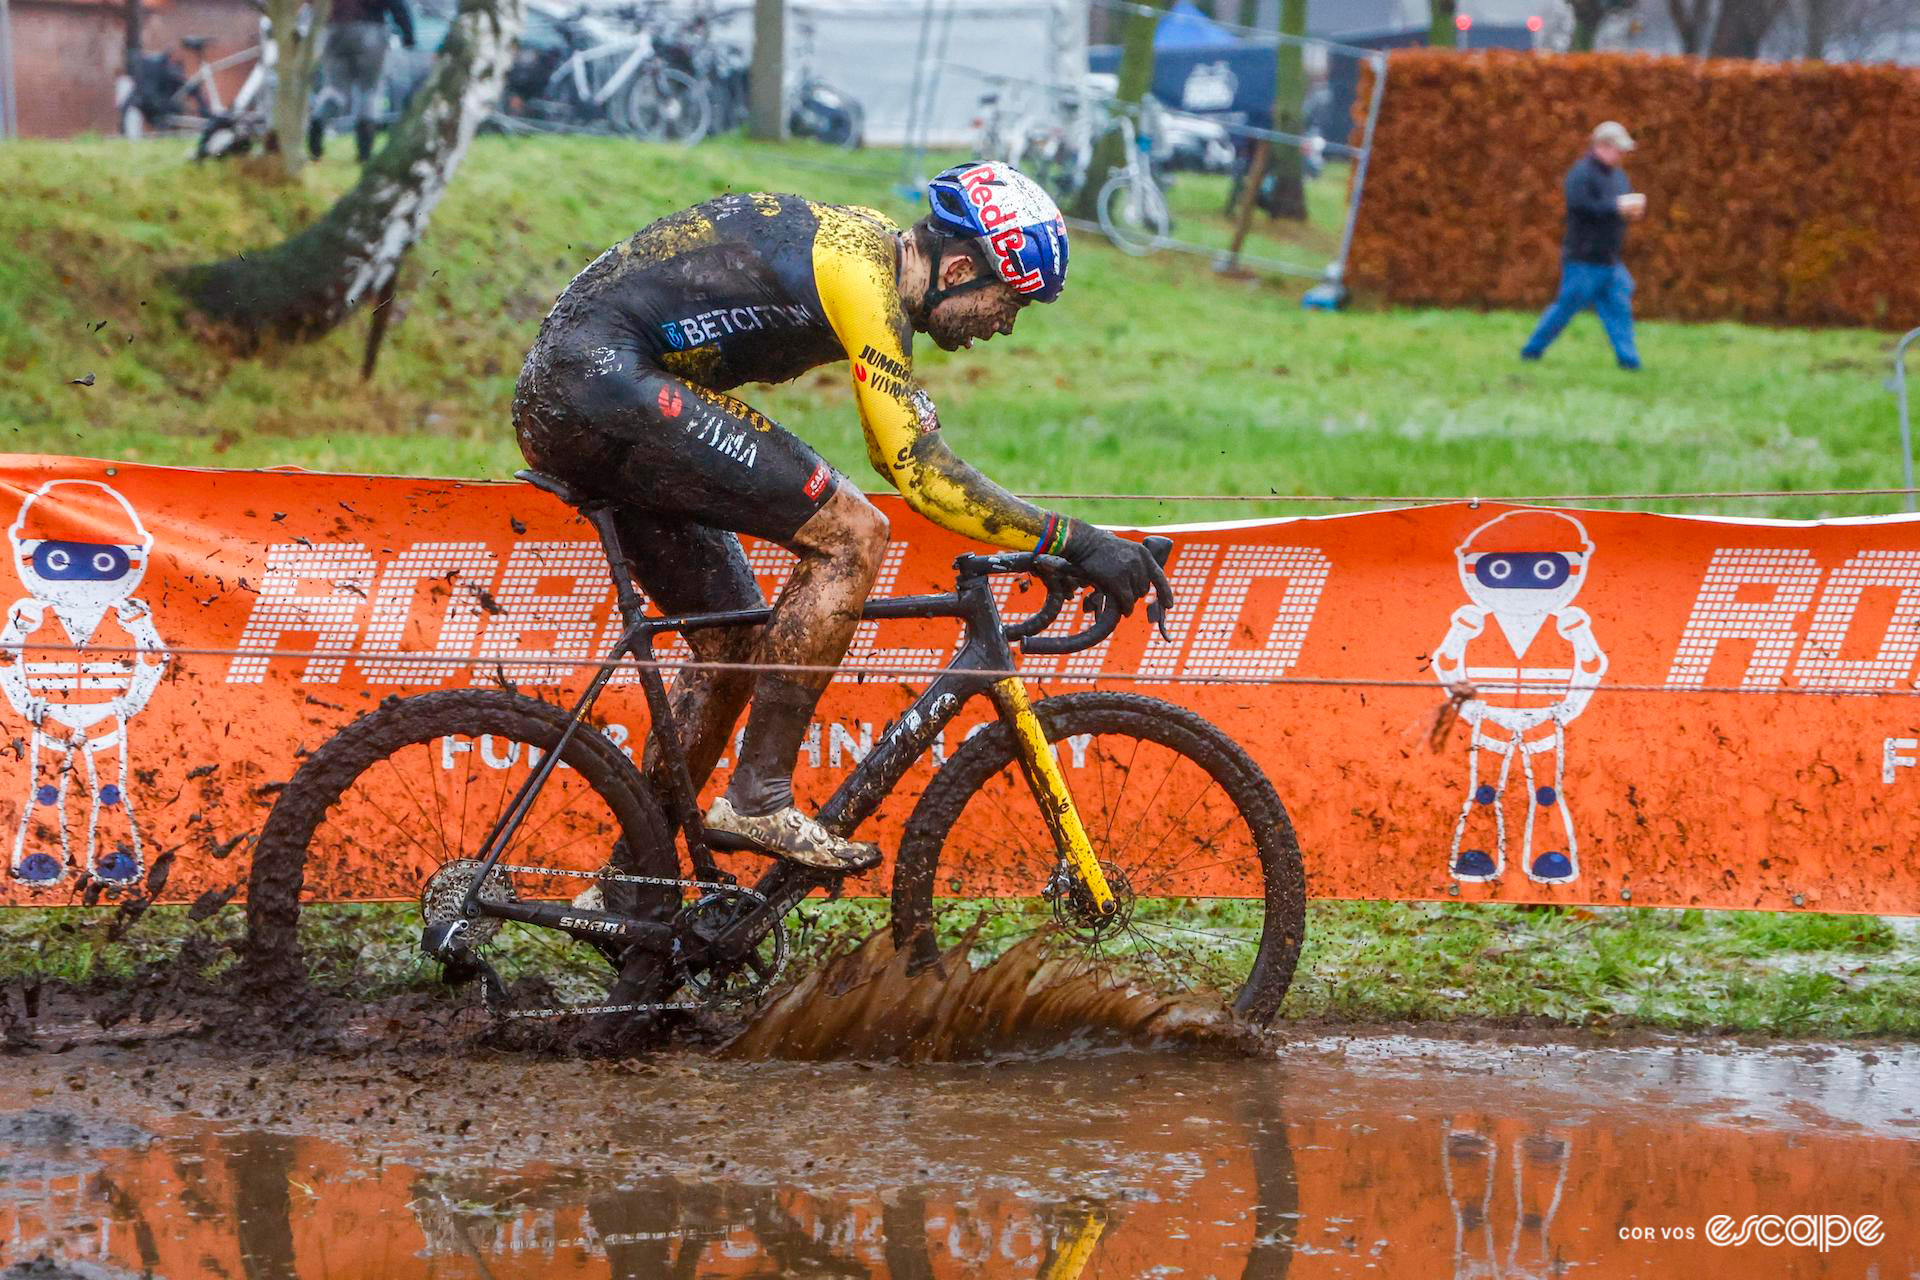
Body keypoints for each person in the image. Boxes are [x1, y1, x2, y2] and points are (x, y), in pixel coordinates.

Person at [512, 163, 1171, 871]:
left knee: (732, 638)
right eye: (1009, 302)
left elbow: (901, 453)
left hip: (588, 384)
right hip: (599, 382)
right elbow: (916, 471)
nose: (1005, 326)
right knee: (852, 533)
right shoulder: (865, 279)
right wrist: (1075, 540)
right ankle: (758, 798)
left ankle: (633, 879)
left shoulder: (869, 259)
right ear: (957, 267)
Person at [1520, 121, 1647, 370]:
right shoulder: (1581, 174)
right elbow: (1582, 207)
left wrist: (1632, 211)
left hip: (1610, 260)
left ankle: (1629, 361)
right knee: (1566, 308)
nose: (1621, 155)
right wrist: (1617, 208)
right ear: (1601, 146)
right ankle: (1532, 350)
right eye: (1617, 150)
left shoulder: (1618, 176)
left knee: (1619, 306)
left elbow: (1618, 207)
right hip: (1583, 260)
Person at [308, 0, 416, 163]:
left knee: (335, 88)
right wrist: (408, 33)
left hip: (334, 31)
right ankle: (365, 153)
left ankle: (317, 125)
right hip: (370, 30)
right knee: (370, 90)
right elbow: (397, 3)